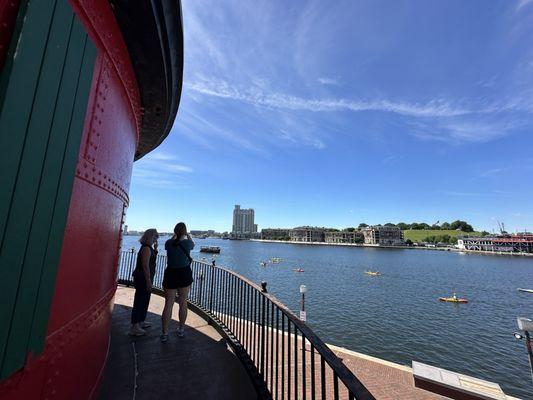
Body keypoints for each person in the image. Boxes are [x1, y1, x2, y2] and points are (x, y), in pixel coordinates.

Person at [161, 222, 194, 342]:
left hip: (170, 273)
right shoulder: (187, 243)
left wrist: (175, 235)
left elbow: (172, 242)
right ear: (184, 232)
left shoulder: (168, 243)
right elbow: (193, 244)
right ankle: (181, 329)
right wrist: (188, 235)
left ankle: (164, 333)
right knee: (183, 302)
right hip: (184, 274)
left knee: (168, 303)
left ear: (174, 231)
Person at [129, 228, 159, 336]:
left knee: (145, 300)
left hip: (146, 278)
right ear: (151, 236)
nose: (157, 238)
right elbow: (145, 266)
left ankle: (141, 321)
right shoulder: (146, 248)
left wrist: (155, 249)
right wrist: (148, 281)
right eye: (156, 236)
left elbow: (151, 261)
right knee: (140, 301)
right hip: (142, 279)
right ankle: (135, 326)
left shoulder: (149, 248)